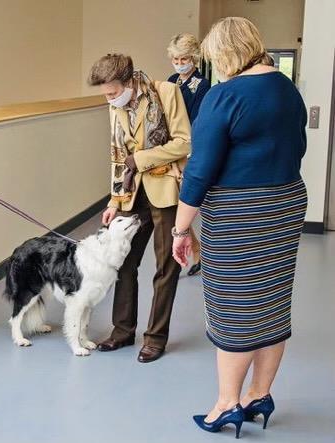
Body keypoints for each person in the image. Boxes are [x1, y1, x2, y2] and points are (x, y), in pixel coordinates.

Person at [171, 18, 307, 437]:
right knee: (271, 301)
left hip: (239, 212)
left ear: (225, 52)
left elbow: (200, 170)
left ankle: (227, 403)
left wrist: (180, 230)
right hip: (285, 202)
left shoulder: (223, 95)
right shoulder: (287, 88)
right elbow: (297, 146)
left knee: (233, 310)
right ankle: (259, 394)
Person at [87, 54, 191, 363]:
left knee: (164, 267)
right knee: (124, 263)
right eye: (105, 93)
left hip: (165, 190)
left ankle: (155, 337)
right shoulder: (114, 105)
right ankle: (122, 331)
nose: (109, 98)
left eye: (112, 91)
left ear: (130, 81)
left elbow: (184, 143)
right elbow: (118, 155)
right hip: (131, 194)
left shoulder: (166, 92)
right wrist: (113, 200)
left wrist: (141, 160)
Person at [167, 33, 211, 276]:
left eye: (184, 58)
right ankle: (196, 248)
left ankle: (205, 249)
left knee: (194, 201)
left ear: (193, 58)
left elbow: (197, 121)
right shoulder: (172, 80)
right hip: (171, 147)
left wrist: (187, 152)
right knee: (178, 202)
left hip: (191, 148)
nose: (179, 62)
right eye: (175, 58)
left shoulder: (202, 85)